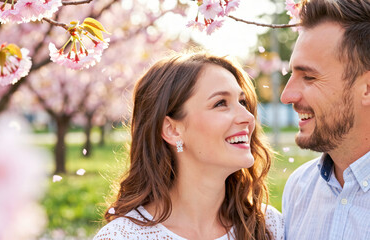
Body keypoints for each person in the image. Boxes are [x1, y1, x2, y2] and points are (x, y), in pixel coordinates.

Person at [93, 52, 284, 240]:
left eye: (242, 102)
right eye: (220, 103)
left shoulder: (268, 226)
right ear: (172, 130)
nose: (248, 117)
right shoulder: (123, 236)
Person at [280, 0, 370, 239]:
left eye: (309, 77)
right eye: (292, 75)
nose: (287, 95)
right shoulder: (298, 188)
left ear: (367, 88)